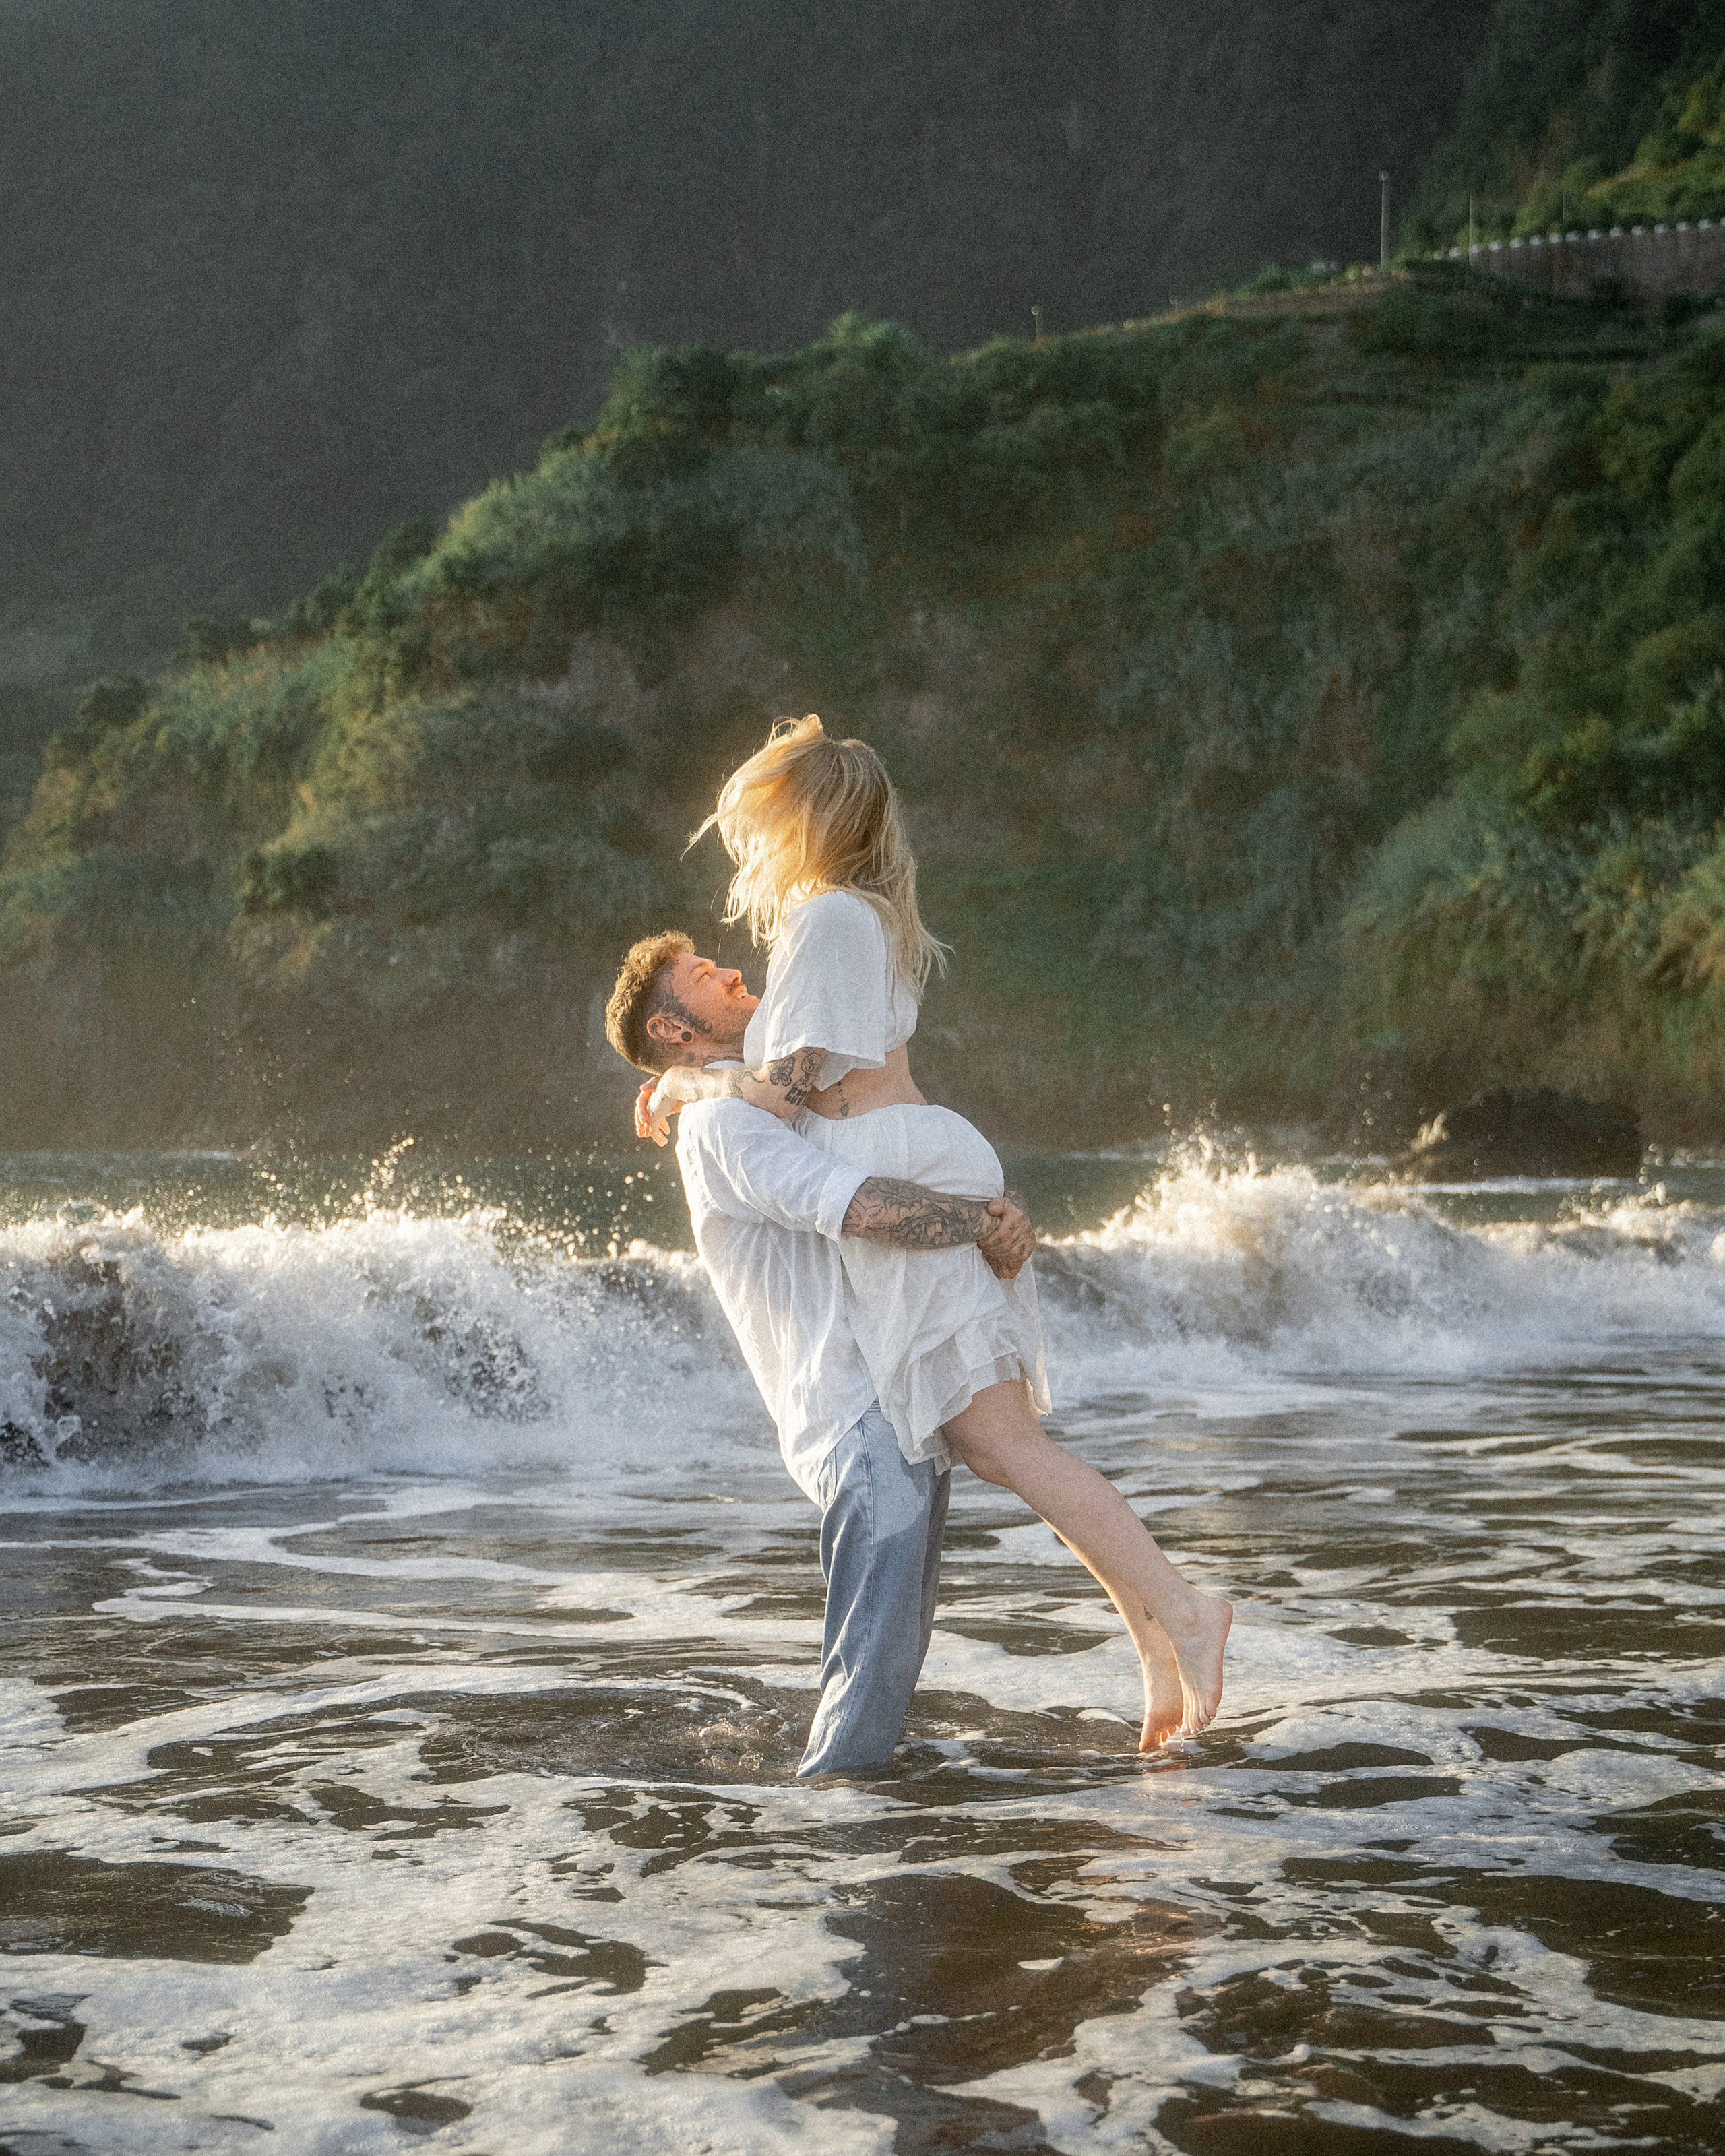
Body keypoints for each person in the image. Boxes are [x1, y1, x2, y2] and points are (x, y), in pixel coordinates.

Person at [615, 723, 1232, 1747]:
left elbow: (788, 1091)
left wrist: (689, 1079)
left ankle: (1187, 1610)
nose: (749, 850)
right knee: (997, 1445)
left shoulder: (825, 921)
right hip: (910, 1160)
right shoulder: (856, 915)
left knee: (999, 1440)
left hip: (896, 1167)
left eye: (761, 822)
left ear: (801, 823)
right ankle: (1159, 1640)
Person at [605, 929, 1035, 1775]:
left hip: (895, 1391)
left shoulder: (758, 1096)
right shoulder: (722, 1127)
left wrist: (999, 1209)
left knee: (888, 1670)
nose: (733, 970)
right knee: (863, 1697)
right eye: (702, 976)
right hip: (849, 1414)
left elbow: (898, 1155)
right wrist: (987, 1227)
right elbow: (865, 1208)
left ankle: (856, 1854)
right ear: (672, 1028)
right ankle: (832, 1854)